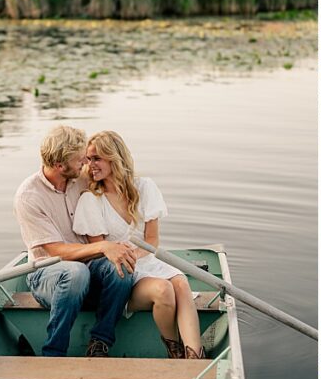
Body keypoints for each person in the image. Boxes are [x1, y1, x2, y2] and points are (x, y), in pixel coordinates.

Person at [72, 130, 206, 359]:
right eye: (88, 159)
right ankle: (174, 349)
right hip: (120, 274)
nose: (90, 164)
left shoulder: (145, 187)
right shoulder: (91, 200)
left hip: (146, 260)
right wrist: (128, 258)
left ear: (114, 157)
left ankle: (195, 356)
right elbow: (99, 252)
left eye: (97, 158)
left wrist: (136, 253)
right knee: (164, 290)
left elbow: (152, 240)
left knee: (181, 284)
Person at [13, 125, 138, 358]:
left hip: (90, 265)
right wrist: (103, 246)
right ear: (60, 166)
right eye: (80, 160)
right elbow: (55, 251)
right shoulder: (29, 197)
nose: (86, 164)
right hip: (46, 273)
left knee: (120, 266)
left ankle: (100, 342)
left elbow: (116, 177)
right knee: (75, 273)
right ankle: (54, 352)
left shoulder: (81, 178)